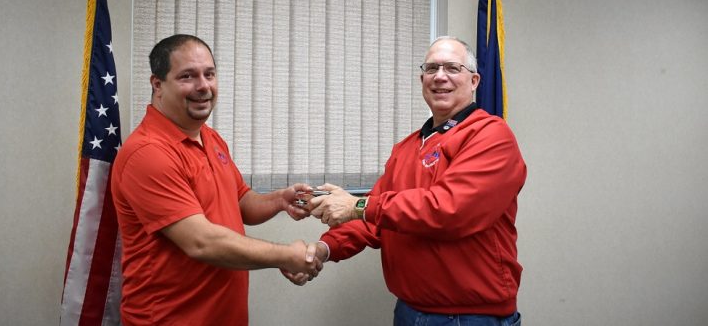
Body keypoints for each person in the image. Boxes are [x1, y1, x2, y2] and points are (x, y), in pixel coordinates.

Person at [306, 36, 526, 326]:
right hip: (409, 311)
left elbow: (450, 210)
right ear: (422, 79)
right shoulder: (407, 148)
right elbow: (374, 220)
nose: (440, 77)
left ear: (474, 81)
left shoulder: (491, 136)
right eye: (432, 68)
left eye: (452, 68)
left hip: (472, 317)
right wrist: (322, 250)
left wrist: (357, 205)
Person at [111, 34, 322, 325]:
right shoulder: (147, 153)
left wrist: (278, 200)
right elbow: (201, 242)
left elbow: (241, 202)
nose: (203, 86)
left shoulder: (210, 138)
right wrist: (285, 255)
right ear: (157, 85)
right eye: (188, 76)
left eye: (209, 74)